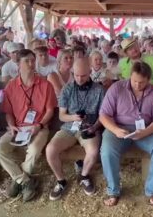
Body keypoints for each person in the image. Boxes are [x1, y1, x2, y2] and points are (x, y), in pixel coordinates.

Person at [99, 62, 153, 206]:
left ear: (149, 79)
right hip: (119, 128)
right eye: (134, 81)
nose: (137, 85)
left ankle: (152, 190)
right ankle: (113, 190)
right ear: (129, 76)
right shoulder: (116, 88)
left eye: (142, 82)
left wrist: (145, 132)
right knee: (106, 150)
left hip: (146, 129)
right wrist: (115, 130)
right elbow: (104, 115)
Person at [0, 49, 57, 202]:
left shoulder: (45, 85)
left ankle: (18, 180)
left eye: (32, 60)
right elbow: (8, 112)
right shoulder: (11, 86)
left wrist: (40, 125)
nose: (31, 63)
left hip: (39, 127)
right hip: (18, 128)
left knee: (34, 150)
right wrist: (11, 125)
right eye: (27, 61)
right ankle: (26, 181)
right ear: (18, 65)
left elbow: (50, 111)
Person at [45, 58, 105, 200]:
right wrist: (74, 117)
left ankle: (84, 176)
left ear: (90, 72)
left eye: (83, 75)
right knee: (50, 150)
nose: (79, 78)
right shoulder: (67, 89)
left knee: (93, 151)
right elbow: (61, 116)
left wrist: (94, 127)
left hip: (90, 127)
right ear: (73, 72)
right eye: (76, 75)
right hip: (69, 127)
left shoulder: (99, 90)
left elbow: (103, 115)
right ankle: (61, 180)